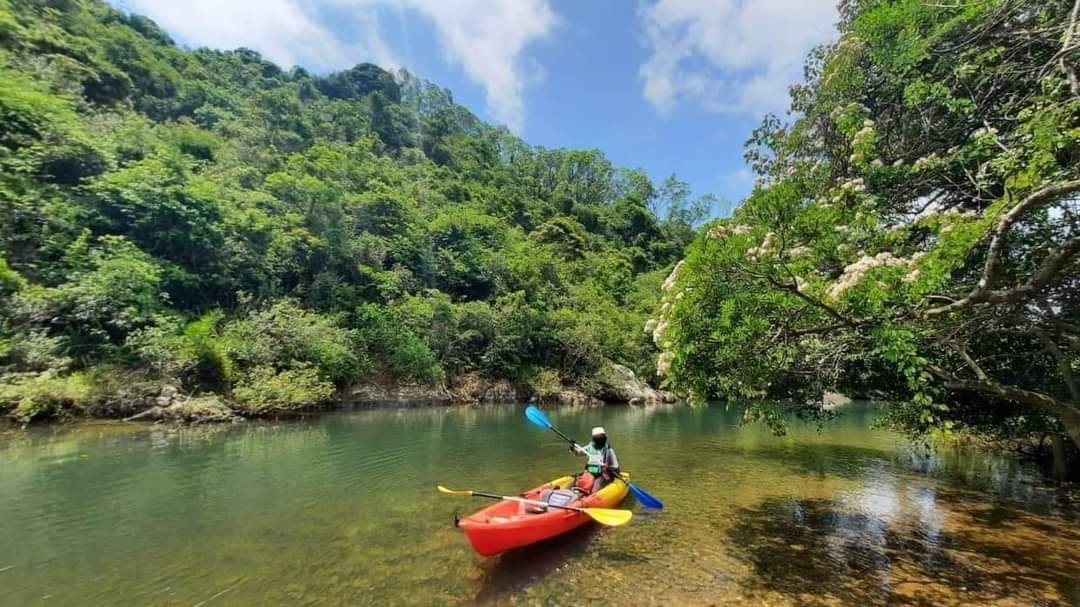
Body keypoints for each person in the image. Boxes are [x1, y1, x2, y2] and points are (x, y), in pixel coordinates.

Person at [573, 427, 619, 493]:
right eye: (597, 437)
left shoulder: (608, 450)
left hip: (603, 475)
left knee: (595, 489)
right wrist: (574, 449)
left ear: (604, 437)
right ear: (594, 438)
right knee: (581, 486)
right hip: (591, 473)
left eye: (601, 436)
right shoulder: (590, 446)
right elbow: (579, 453)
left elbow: (616, 466)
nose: (599, 438)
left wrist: (607, 467)